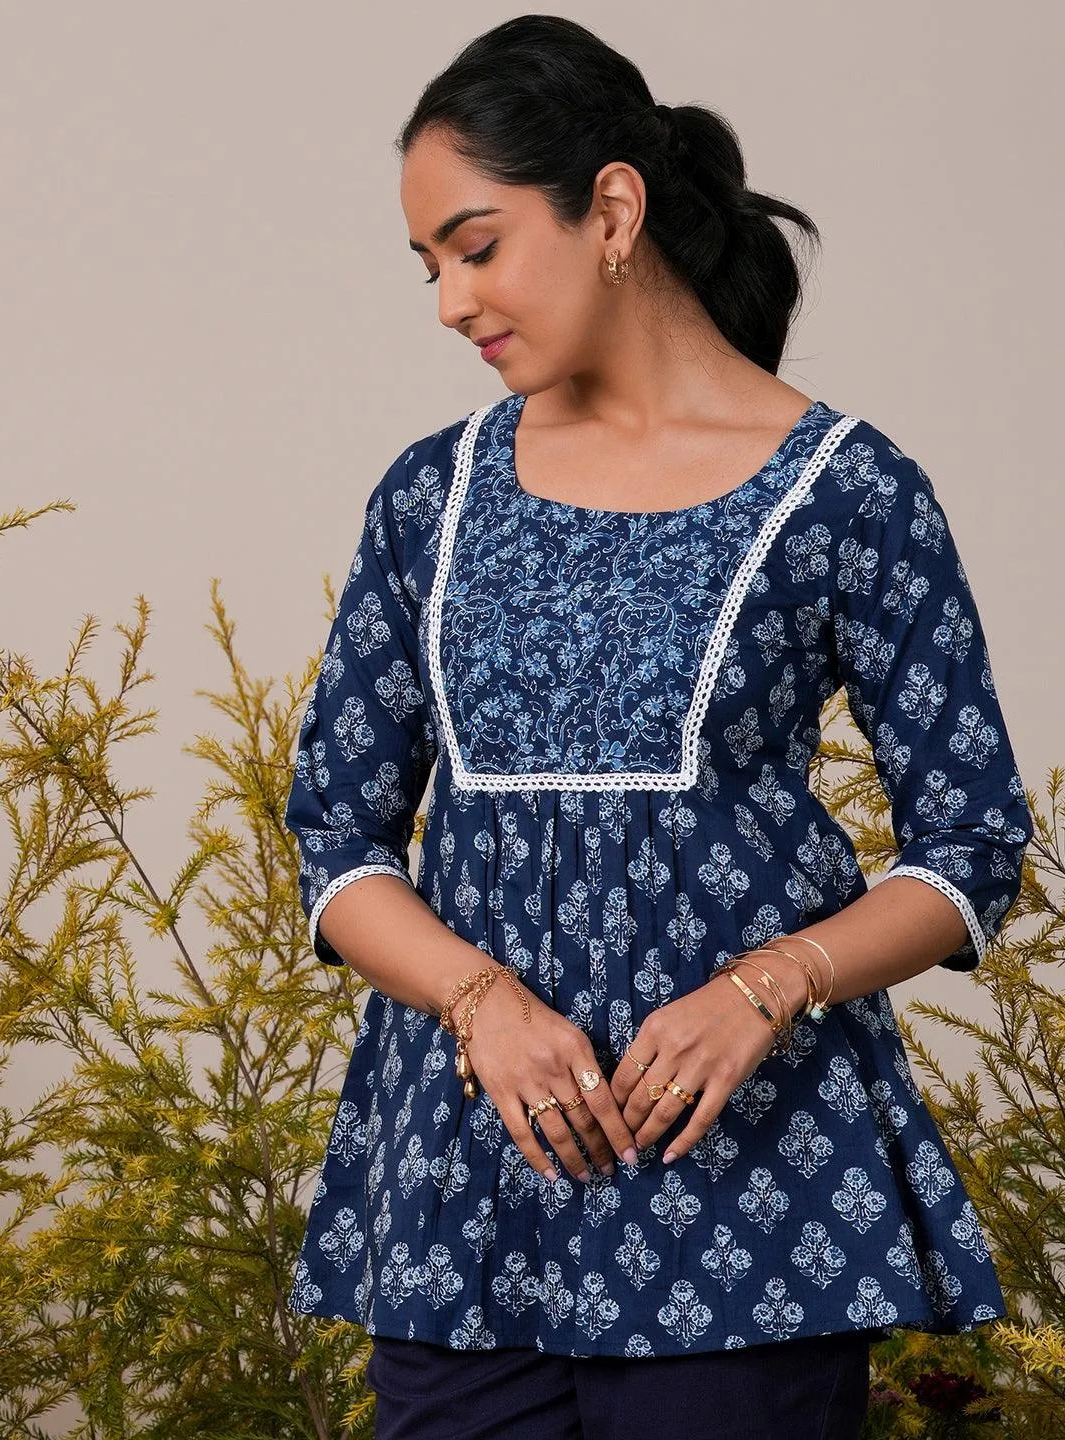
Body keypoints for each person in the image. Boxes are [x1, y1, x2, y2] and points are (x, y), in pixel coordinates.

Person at [282, 14, 1033, 1439]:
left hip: (748, 1202)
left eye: (476, 246)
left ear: (612, 210)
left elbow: (972, 847)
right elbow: (335, 837)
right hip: (465, 1198)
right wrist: (480, 1002)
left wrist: (769, 987)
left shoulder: (848, 493)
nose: (449, 301)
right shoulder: (430, 499)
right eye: (429, 265)